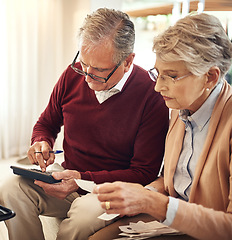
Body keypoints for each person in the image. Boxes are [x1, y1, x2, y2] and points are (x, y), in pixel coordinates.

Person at [0, 8, 169, 240]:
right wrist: (41, 143)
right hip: (69, 176)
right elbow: (46, 124)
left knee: (82, 215)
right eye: (83, 63)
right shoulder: (73, 75)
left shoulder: (152, 94)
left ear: (128, 61)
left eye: (99, 71)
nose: (87, 77)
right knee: (11, 189)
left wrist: (82, 178)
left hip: (112, 188)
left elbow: (143, 173)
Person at [94, 13, 232, 240]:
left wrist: (153, 202)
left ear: (210, 77)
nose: (157, 87)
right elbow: (174, 183)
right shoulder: (182, 109)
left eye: (171, 76)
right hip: (175, 223)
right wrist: (143, 194)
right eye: (157, 73)